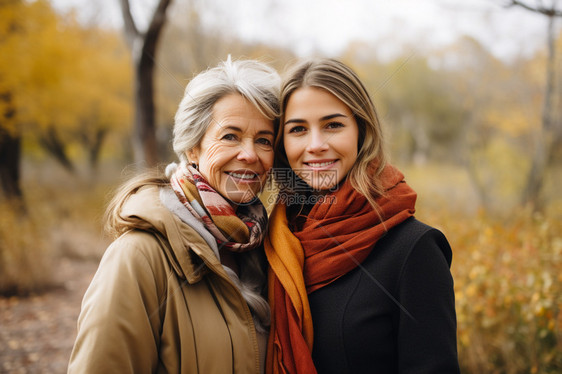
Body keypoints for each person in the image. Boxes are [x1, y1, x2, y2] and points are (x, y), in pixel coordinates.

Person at [68, 57, 280, 373]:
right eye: (230, 136)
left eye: (263, 140)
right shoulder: (139, 256)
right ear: (193, 147)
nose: (249, 154)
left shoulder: (267, 247)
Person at [265, 58, 460, 374]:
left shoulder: (414, 248)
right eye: (298, 129)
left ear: (362, 130)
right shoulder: (274, 241)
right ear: (281, 143)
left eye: (333, 125)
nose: (316, 145)